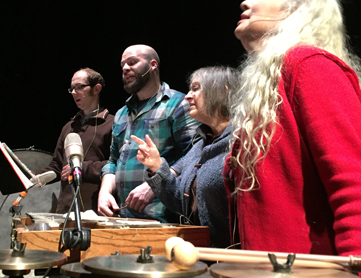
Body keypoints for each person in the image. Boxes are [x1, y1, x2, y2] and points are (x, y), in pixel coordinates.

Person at [225, 0, 361, 259]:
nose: (246, 2)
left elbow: (356, 186)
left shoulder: (309, 65)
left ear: (296, 9)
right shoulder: (271, 84)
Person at [131, 66, 236, 248]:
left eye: (195, 88)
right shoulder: (199, 147)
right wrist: (157, 167)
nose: (187, 96)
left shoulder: (245, 142)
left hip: (236, 263)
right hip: (202, 260)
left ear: (221, 92)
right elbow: (180, 202)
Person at [98, 44, 200, 222]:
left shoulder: (178, 104)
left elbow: (195, 155)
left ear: (153, 65)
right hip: (124, 218)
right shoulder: (122, 113)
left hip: (164, 218)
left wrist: (154, 186)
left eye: (132, 62)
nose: (125, 69)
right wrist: (104, 191)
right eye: (122, 65)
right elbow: (113, 161)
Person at [34, 68, 114, 213]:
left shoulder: (112, 124)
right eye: (72, 89)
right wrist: (29, 175)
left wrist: (81, 167)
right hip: (66, 210)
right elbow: (57, 167)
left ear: (97, 89)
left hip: (97, 210)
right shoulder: (69, 127)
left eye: (79, 87)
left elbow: (116, 165)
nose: (74, 92)